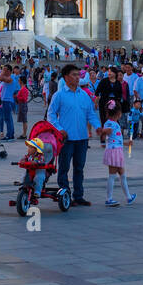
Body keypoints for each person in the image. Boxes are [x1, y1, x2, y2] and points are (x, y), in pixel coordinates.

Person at [47, 64, 101, 206]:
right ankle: (65, 196)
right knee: (64, 168)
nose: (78, 78)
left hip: (82, 138)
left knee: (79, 168)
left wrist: (98, 127)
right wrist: (59, 129)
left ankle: (78, 195)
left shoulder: (84, 95)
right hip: (66, 138)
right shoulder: (59, 95)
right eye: (74, 75)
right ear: (66, 77)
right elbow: (51, 115)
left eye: (78, 75)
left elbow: (90, 114)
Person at [100, 100, 135, 207]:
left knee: (122, 174)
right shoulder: (110, 123)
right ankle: (109, 199)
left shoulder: (114, 124)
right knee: (112, 175)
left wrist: (127, 143)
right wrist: (104, 132)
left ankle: (128, 197)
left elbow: (117, 139)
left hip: (117, 150)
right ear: (119, 113)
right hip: (113, 152)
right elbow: (106, 131)